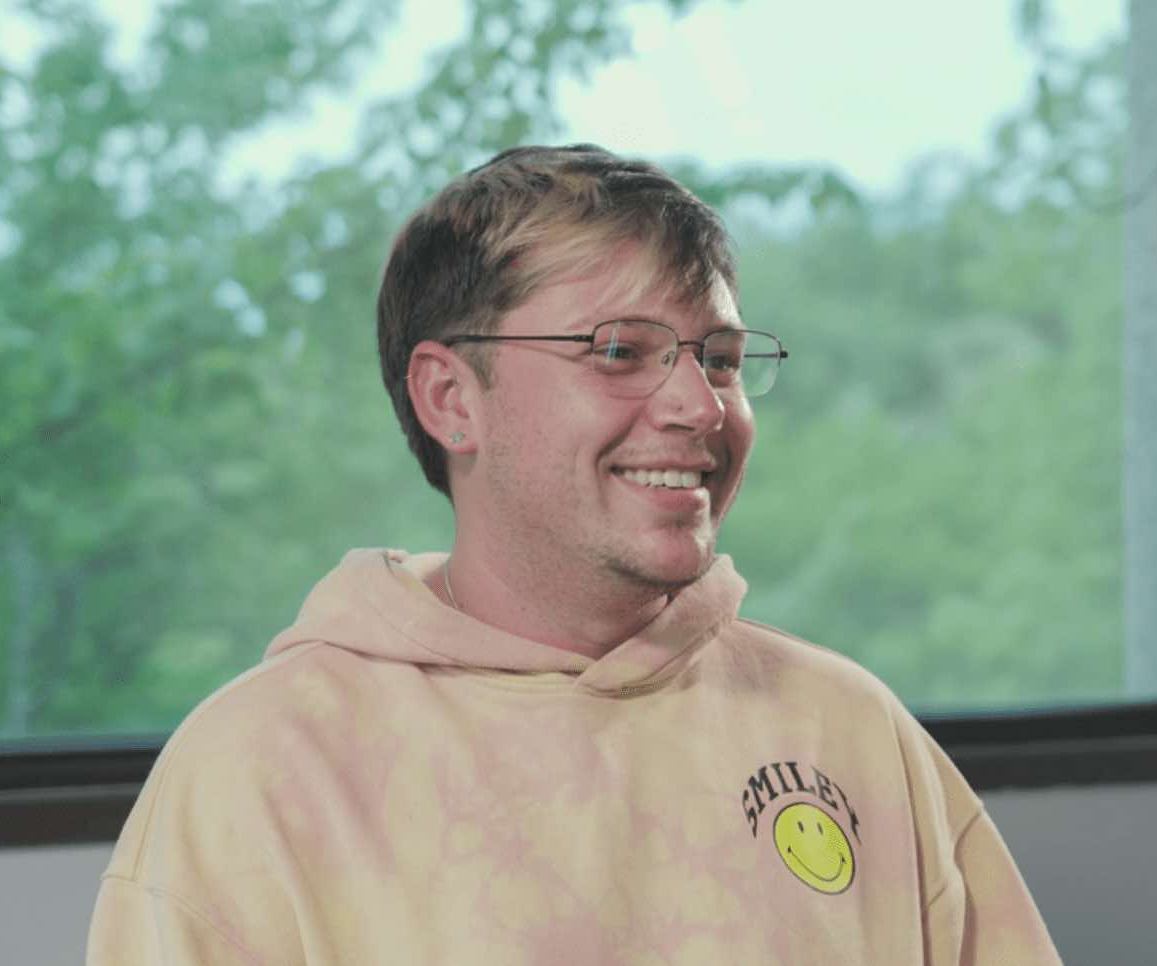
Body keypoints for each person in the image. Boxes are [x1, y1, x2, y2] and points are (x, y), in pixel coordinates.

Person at [86, 144, 1063, 964]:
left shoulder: (849, 730)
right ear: (451, 400)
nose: (700, 406)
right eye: (620, 352)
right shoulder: (259, 772)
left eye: (721, 360)